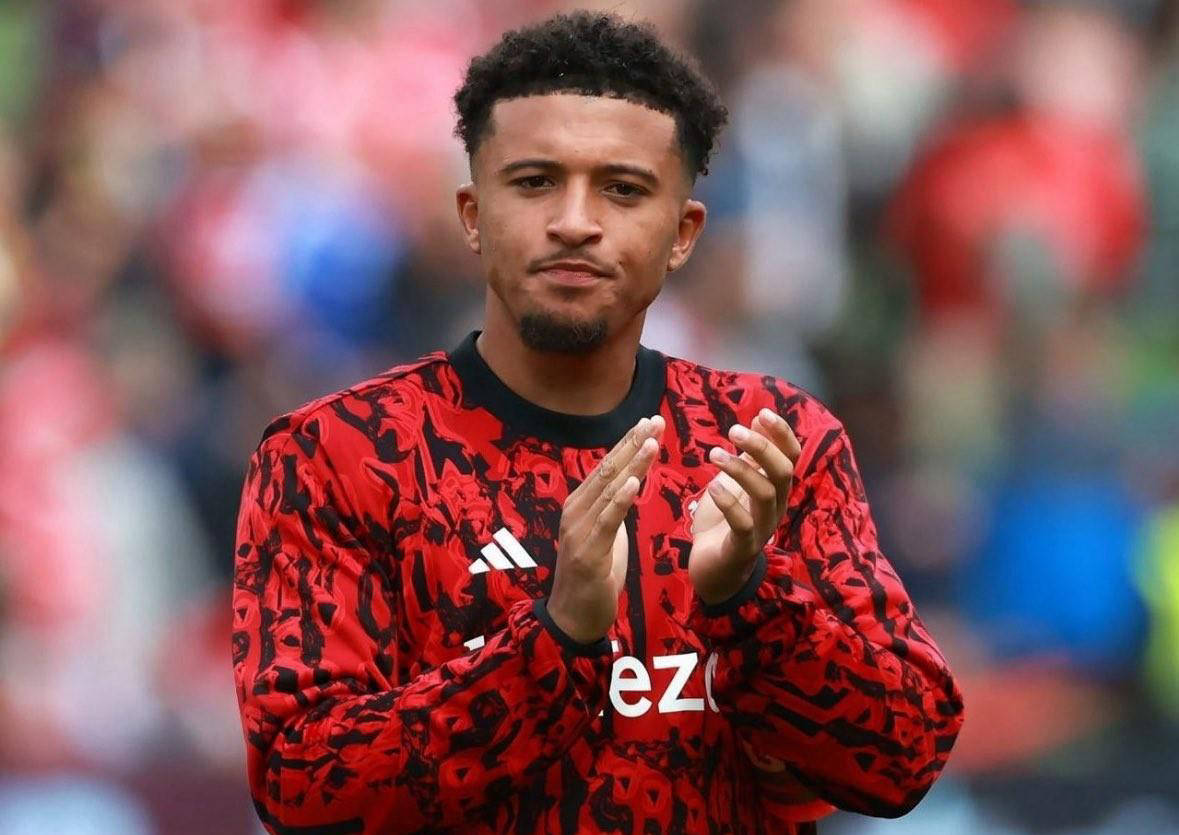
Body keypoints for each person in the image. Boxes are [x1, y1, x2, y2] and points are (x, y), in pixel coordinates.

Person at [231, 11, 965, 834]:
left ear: (682, 233)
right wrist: (556, 637)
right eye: (533, 181)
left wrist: (750, 595)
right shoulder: (340, 454)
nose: (574, 220)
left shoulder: (771, 441)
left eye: (622, 189)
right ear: (472, 215)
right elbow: (301, 785)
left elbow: (906, 752)